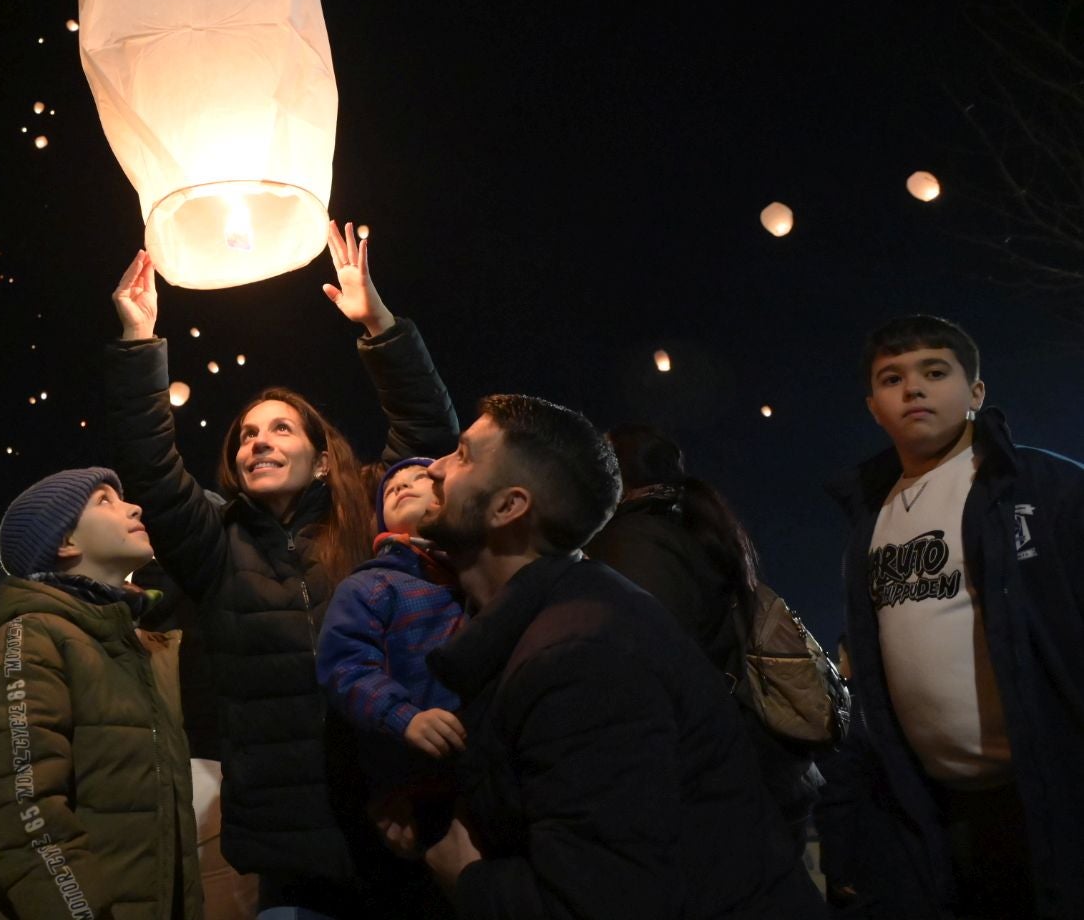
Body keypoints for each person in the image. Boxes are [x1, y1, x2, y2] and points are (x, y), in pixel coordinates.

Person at [103, 222, 460, 917]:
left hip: (396, 823)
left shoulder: (366, 522)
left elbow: (428, 436)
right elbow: (147, 462)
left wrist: (377, 323)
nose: (258, 441)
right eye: (246, 435)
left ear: (323, 457)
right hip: (288, 853)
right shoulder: (214, 544)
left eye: (280, 429)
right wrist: (139, 343)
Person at [418, 396, 823, 918]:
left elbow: (600, 901)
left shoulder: (580, 658)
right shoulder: (558, 623)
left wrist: (467, 878)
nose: (433, 467)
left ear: (507, 508)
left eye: (461, 455)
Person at [829, 315, 1084, 918]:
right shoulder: (870, 520)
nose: (912, 388)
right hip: (936, 808)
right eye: (892, 378)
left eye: (934, 371)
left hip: (1053, 791)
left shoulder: (1043, 487)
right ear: (873, 407)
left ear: (976, 392)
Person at [0, 467, 202, 920]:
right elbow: (23, 812)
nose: (133, 506)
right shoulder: (28, 638)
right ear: (66, 543)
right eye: (104, 500)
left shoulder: (132, 648)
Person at [587, 425, 824, 851]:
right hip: (765, 770)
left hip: (722, 784)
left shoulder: (633, 543)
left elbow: (651, 676)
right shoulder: (688, 529)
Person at [316, 458, 463, 853]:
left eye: (420, 478)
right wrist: (404, 716)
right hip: (408, 778)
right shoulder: (372, 583)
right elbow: (345, 667)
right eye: (390, 487)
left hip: (476, 778)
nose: (401, 485)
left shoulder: (478, 573)